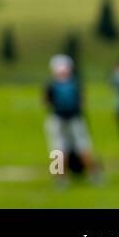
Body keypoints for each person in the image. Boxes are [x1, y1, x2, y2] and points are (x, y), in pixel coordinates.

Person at [43, 54, 100, 183]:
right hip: (76, 118)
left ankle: (59, 179)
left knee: (57, 150)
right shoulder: (75, 83)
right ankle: (94, 175)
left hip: (57, 119)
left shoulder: (51, 84)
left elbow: (46, 103)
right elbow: (82, 102)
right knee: (84, 146)